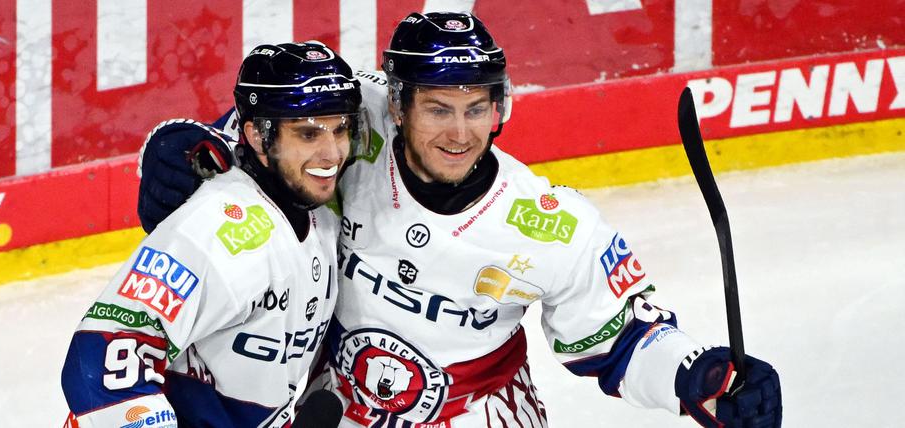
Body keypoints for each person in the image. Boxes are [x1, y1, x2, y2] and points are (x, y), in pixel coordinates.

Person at [136, 12, 782, 428]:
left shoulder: (548, 223)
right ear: (397, 107)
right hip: (331, 398)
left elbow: (624, 339)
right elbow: (247, 140)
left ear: (500, 108)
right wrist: (181, 156)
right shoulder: (351, 125)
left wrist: (700, 375)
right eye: (438, 110)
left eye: (477, 109)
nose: (460, 132)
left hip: (476, 410)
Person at [61, 41, 370, 427]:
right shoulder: (217, 230)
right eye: (308, 135)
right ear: (258, 137)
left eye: (340, 130)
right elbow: (102, 354)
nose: (332, 154)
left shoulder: (317, 210)